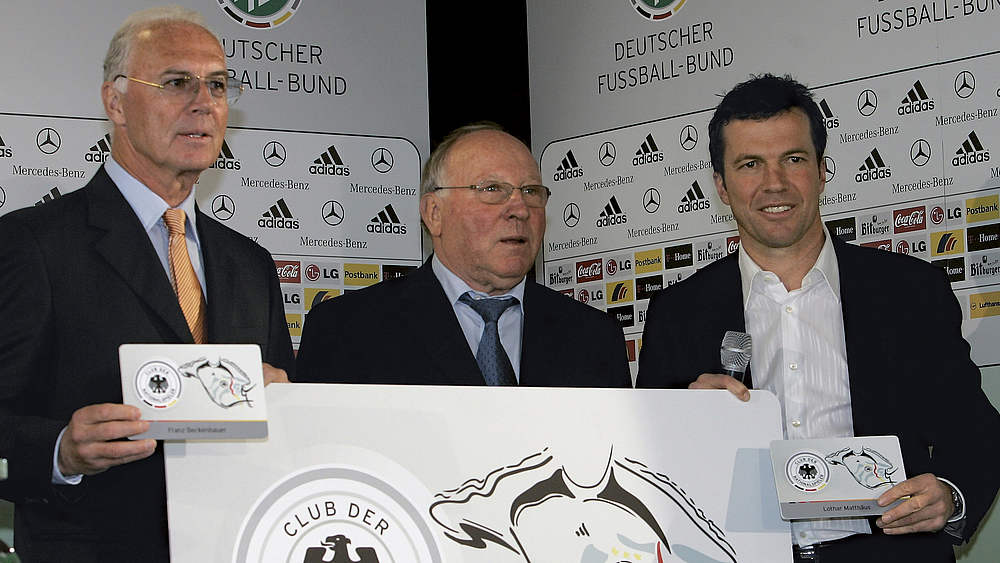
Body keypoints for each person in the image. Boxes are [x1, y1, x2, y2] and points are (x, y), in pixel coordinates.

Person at [637, 74, 1000, 562]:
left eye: (793, 159)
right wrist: (684, 421)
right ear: (721, 186)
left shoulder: (910, 291)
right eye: (750, 164)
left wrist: (950, 495)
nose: (775, 183)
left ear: (823, 170)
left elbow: (974, 429)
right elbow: (648, 462)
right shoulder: (677, 313)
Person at [0, 7, 293, 561]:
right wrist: (61, 451)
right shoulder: (33, 245)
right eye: (176, 83)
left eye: (217, 85)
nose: (203, 102)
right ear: (115, 102)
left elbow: (283, 421)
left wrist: (286, 401)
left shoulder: (250, 263)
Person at [296, 123, 631, 388]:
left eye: (531, 191)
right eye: (492, 189)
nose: (520, 208)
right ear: (434, 213)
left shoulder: (595, 337)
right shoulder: (347, 330)